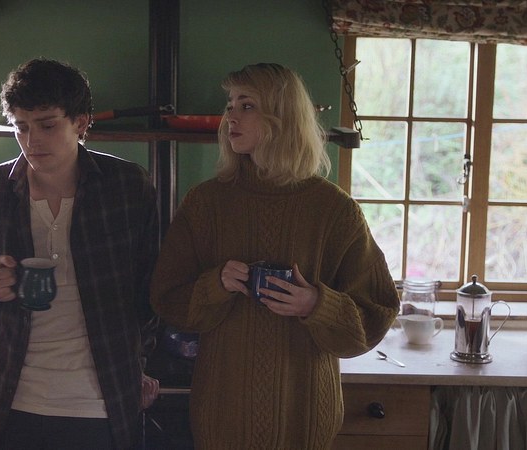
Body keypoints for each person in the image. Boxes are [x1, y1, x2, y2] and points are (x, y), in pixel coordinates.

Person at [149, 62, 400, 449]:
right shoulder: (205, 203)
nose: (230, 117)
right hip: (221, 416)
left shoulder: (334, 210)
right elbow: (167, 300)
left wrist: (317, 304)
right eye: (230, 105)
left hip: (304, 416)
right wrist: (216, 285)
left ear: (283, 117)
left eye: (246, 105)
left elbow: (376, 313)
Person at [0, 58, 160, 450]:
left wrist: (139, 366)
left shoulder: (126, 187)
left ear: (81, 123)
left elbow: (150, 290)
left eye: (46, 125)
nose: (31, 140)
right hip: (6, 397)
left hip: (100, 399)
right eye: (20, 126)